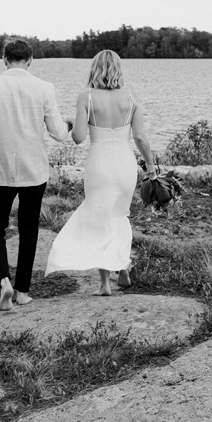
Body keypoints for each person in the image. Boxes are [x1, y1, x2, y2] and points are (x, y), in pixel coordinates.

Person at [0, 39, 72, 312]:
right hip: (34, 170)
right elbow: (58, 133)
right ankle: (22, 291)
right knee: (29, 229)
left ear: (4, 59)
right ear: (30, 59)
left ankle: (4, 281)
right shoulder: (45, 88)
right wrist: (69, 124)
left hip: (0, 170)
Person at [45, 50, 157, 296]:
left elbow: (78, 138)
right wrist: (150, 166)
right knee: (120, 214)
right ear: (118, 68)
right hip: (125, 163)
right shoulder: (132, 96)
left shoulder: (86, 96)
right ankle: (123, 266)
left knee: (99, 217)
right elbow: (139, 137)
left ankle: (105, 284)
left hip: (99, 164)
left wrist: (71, 123)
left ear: (94, 69)